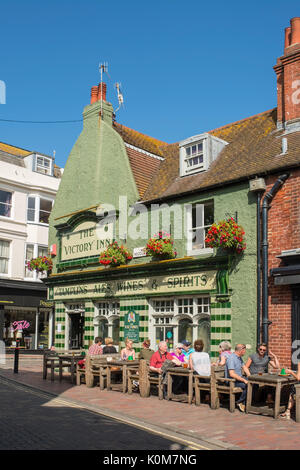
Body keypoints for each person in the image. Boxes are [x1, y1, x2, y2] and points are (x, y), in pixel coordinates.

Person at [225, 343, 250, 412]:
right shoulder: (231, 358)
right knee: (247, 384)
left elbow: (244, 367)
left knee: (253, 383)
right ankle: (240, 402)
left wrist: (250, 377)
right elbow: (232, 374)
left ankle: (246, 403)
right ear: (241, 350)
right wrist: (244, 380)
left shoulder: (239, 358)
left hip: (238, 379)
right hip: (231, 381)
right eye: (244, 350)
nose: (245, 352)